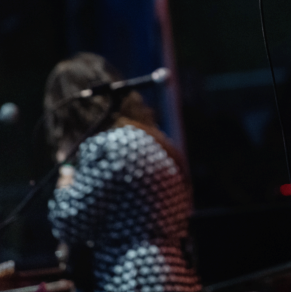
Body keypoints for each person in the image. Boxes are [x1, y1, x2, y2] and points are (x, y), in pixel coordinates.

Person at [44, 53, 201, 292]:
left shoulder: (107, 146)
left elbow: (68, 223)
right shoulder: (146, 136)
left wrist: (66, 168)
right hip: (170, 272)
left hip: (135, 278)